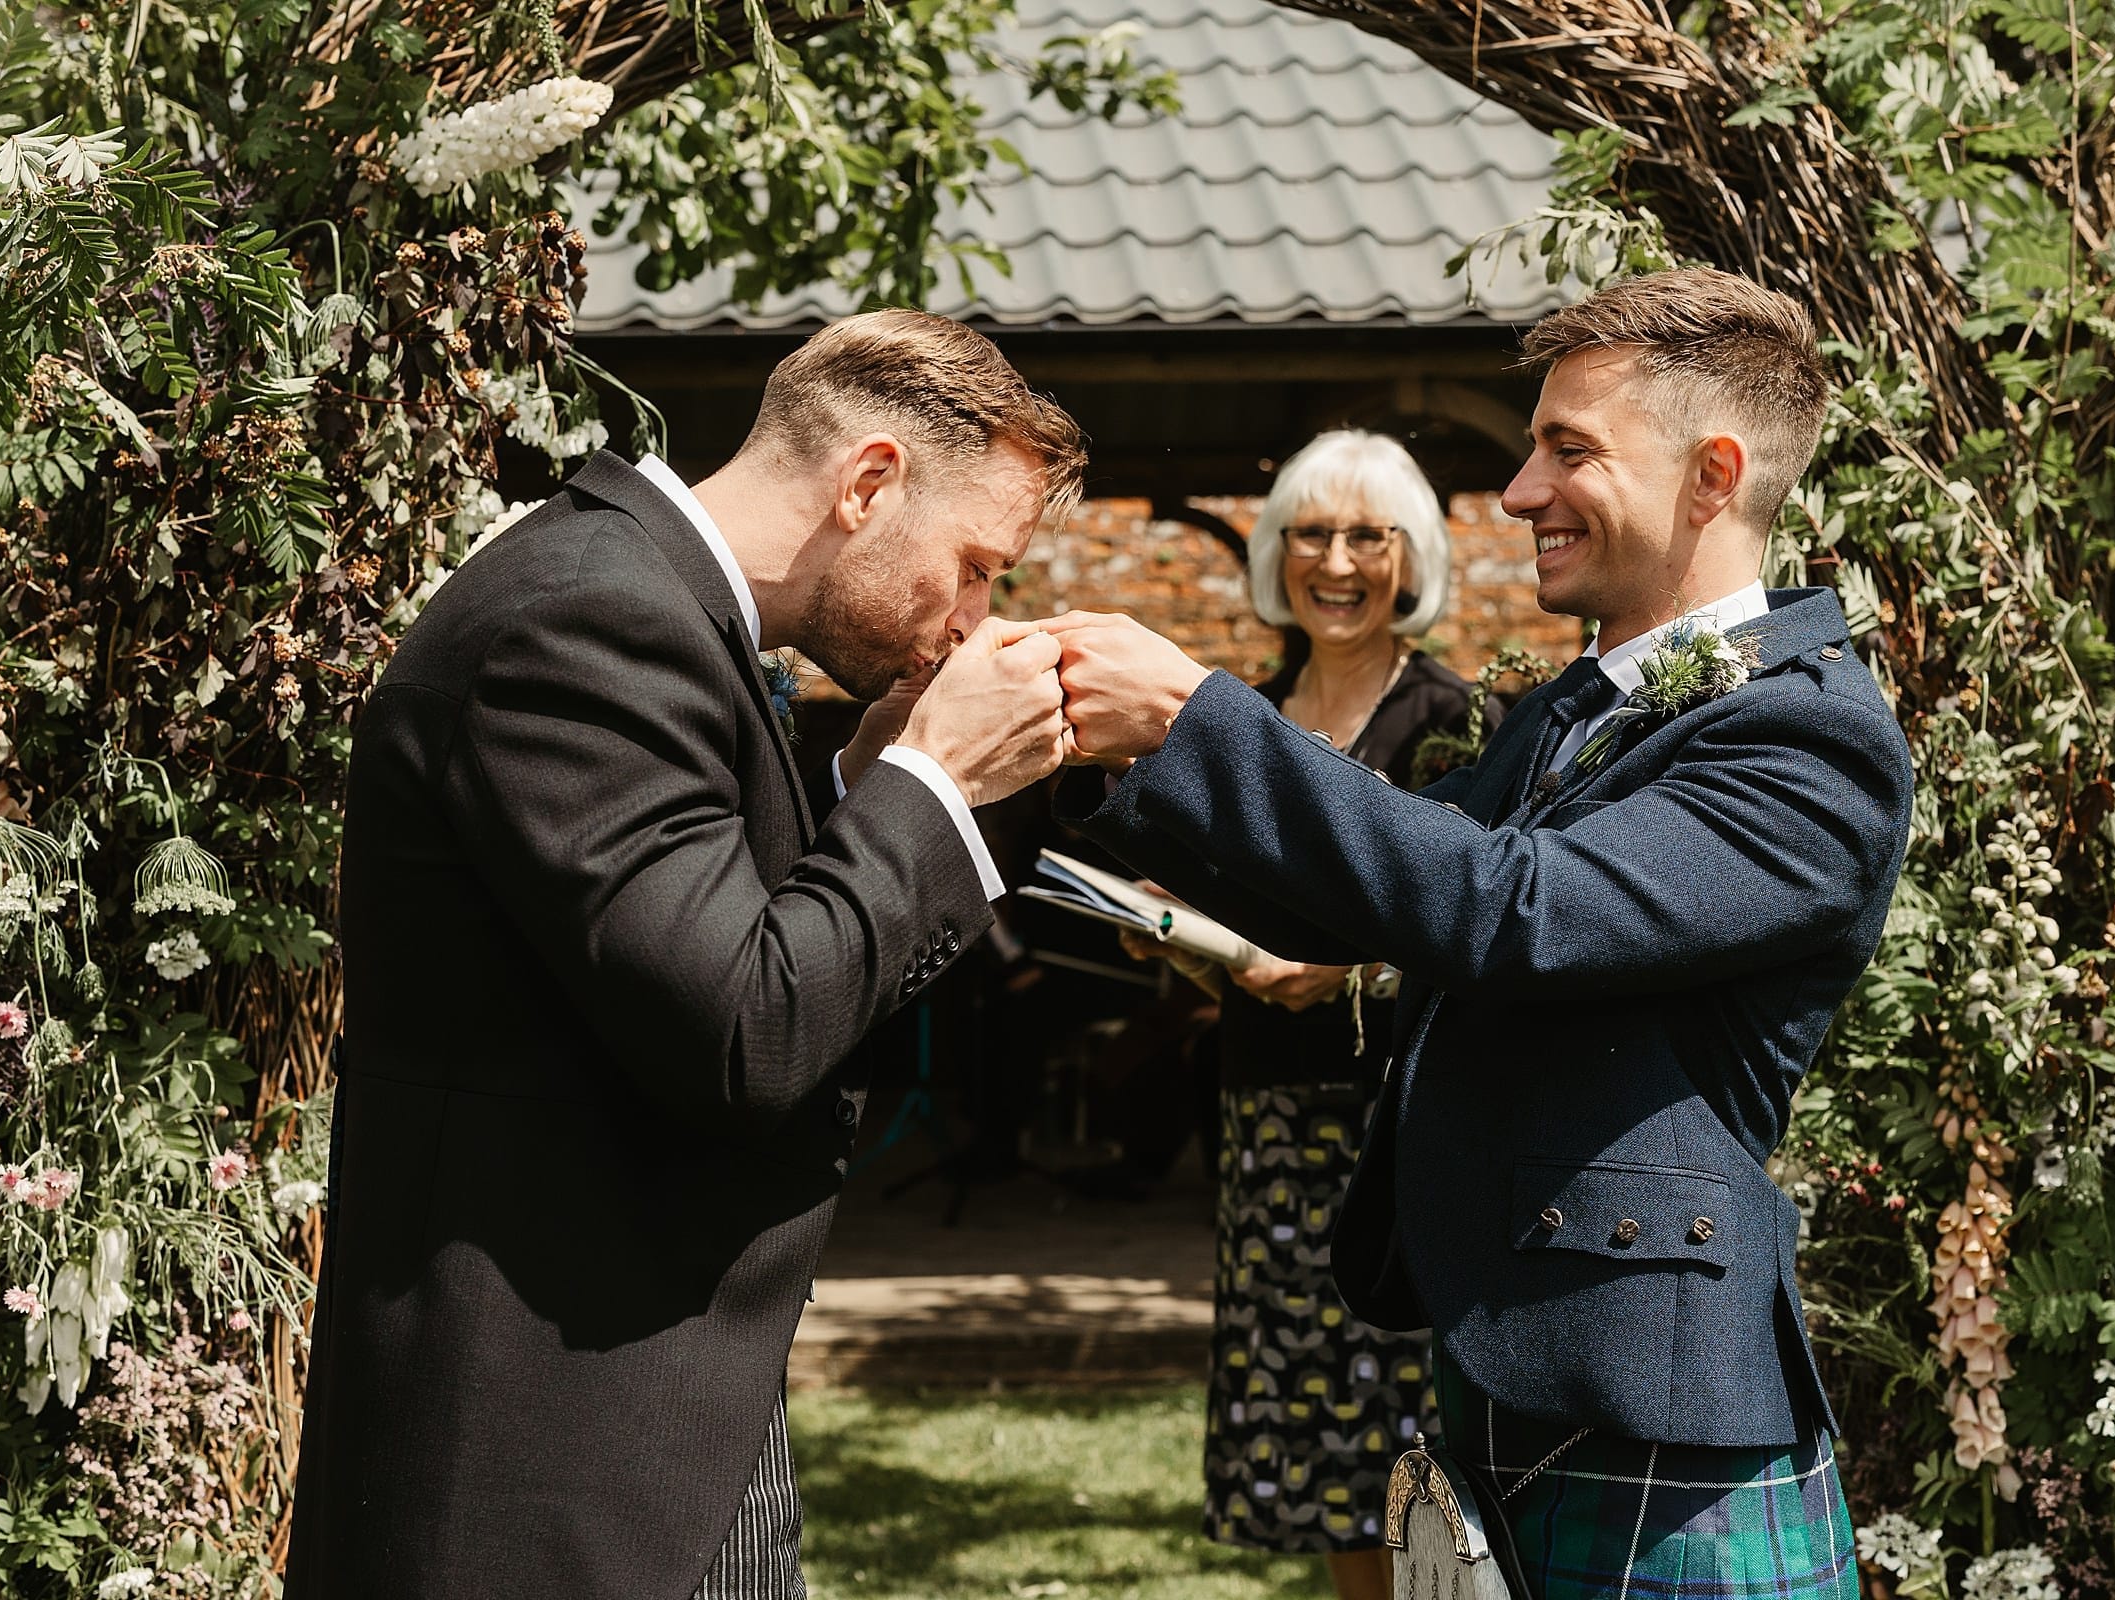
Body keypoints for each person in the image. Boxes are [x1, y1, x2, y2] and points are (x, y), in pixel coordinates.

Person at [1049, 268, 1913, 1599]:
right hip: (1517, 1369)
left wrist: (1192, 713)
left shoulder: (1810, 740)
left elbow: (1514, 906)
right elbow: (1363, 883)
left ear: (1713, 473)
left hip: (1651, 1397)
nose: (1517, 493)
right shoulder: (1579, 710)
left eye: (1569, 450)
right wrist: (1063, 751)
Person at [288, 310, 1086, 1600]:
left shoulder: (662, 612)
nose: (968, 621)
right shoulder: (586, 620)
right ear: (868, 483)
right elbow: (743, 1030)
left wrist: (864, 791)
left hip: (666, 1429)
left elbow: (686, 945)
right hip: (547, 1463)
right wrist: (932, 784)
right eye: (975, 564)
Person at [1119, 430, 1495, 1600]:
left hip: (1393, 1132)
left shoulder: (1454, 722)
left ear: (1411, 556)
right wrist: (1172, 936)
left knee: (1409, 1442)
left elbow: (1487, 931)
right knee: (1329, 1461)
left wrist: (1356, 979)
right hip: (1269, 1129)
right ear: (1278, 555)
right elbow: (1235, 923)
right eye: (1311, 535)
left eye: (1365, 536)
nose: (1335, 561)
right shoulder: (1248, 718)